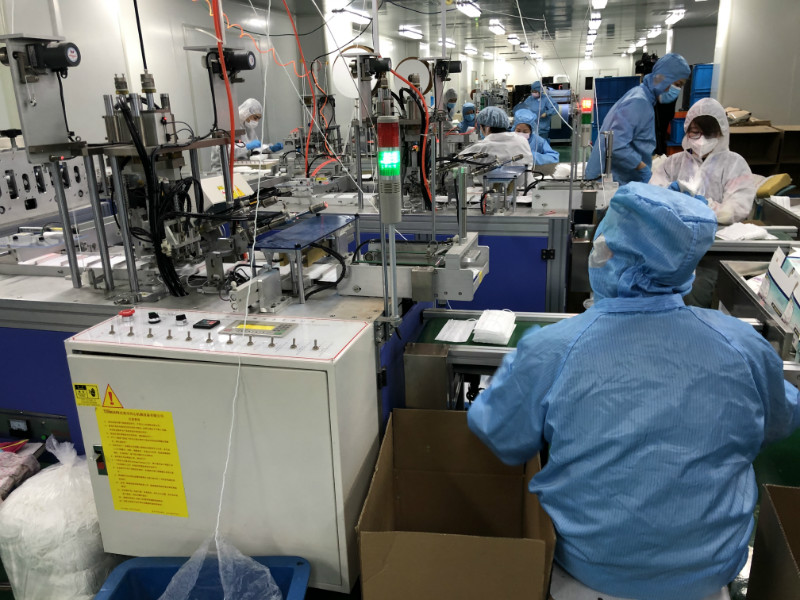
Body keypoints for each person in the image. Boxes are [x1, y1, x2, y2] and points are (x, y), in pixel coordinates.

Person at [467, 182, 800, 600]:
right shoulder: (742, 345)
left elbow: (502, 434)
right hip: (707, 577)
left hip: (589, 573)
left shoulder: (553, 348)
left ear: (606, 250)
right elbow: (780, 420)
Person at [585, 53, 690, 185]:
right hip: (612, 182)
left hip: (616, 179)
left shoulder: (642, 97)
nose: (677, 90)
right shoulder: (639, 102)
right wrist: (643, 170)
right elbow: (617, 145)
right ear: (663, 78)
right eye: (677, 84)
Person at [651, 98, 755, 225]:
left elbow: (737, 208)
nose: (702, 140)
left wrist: (706, 207)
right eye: (695, 132)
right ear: (687, 131)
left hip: (717, 231)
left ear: (721, 133)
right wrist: (669, 196)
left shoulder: (735, 165)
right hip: (676, 228)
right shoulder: (673, 163)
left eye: (709, 134)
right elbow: (653, 193)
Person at [458, 106, 532, 167]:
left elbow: (459, 162)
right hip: (527, 181)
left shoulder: (479, 148)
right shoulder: (522, 141)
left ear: (486, 128)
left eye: (480, 127)